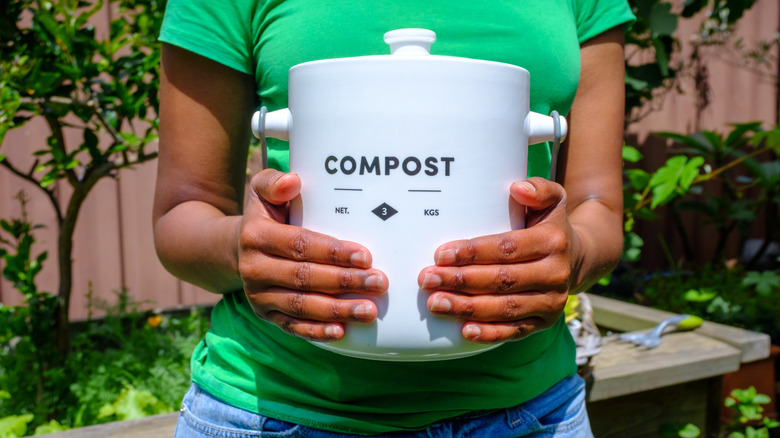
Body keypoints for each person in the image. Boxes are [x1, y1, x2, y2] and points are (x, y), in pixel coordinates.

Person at [153, 1, 635, 436]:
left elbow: (600, 207)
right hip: (273, 411)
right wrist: (246, 248)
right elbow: (185, 209)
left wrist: (573, 254)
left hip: (532, 415)